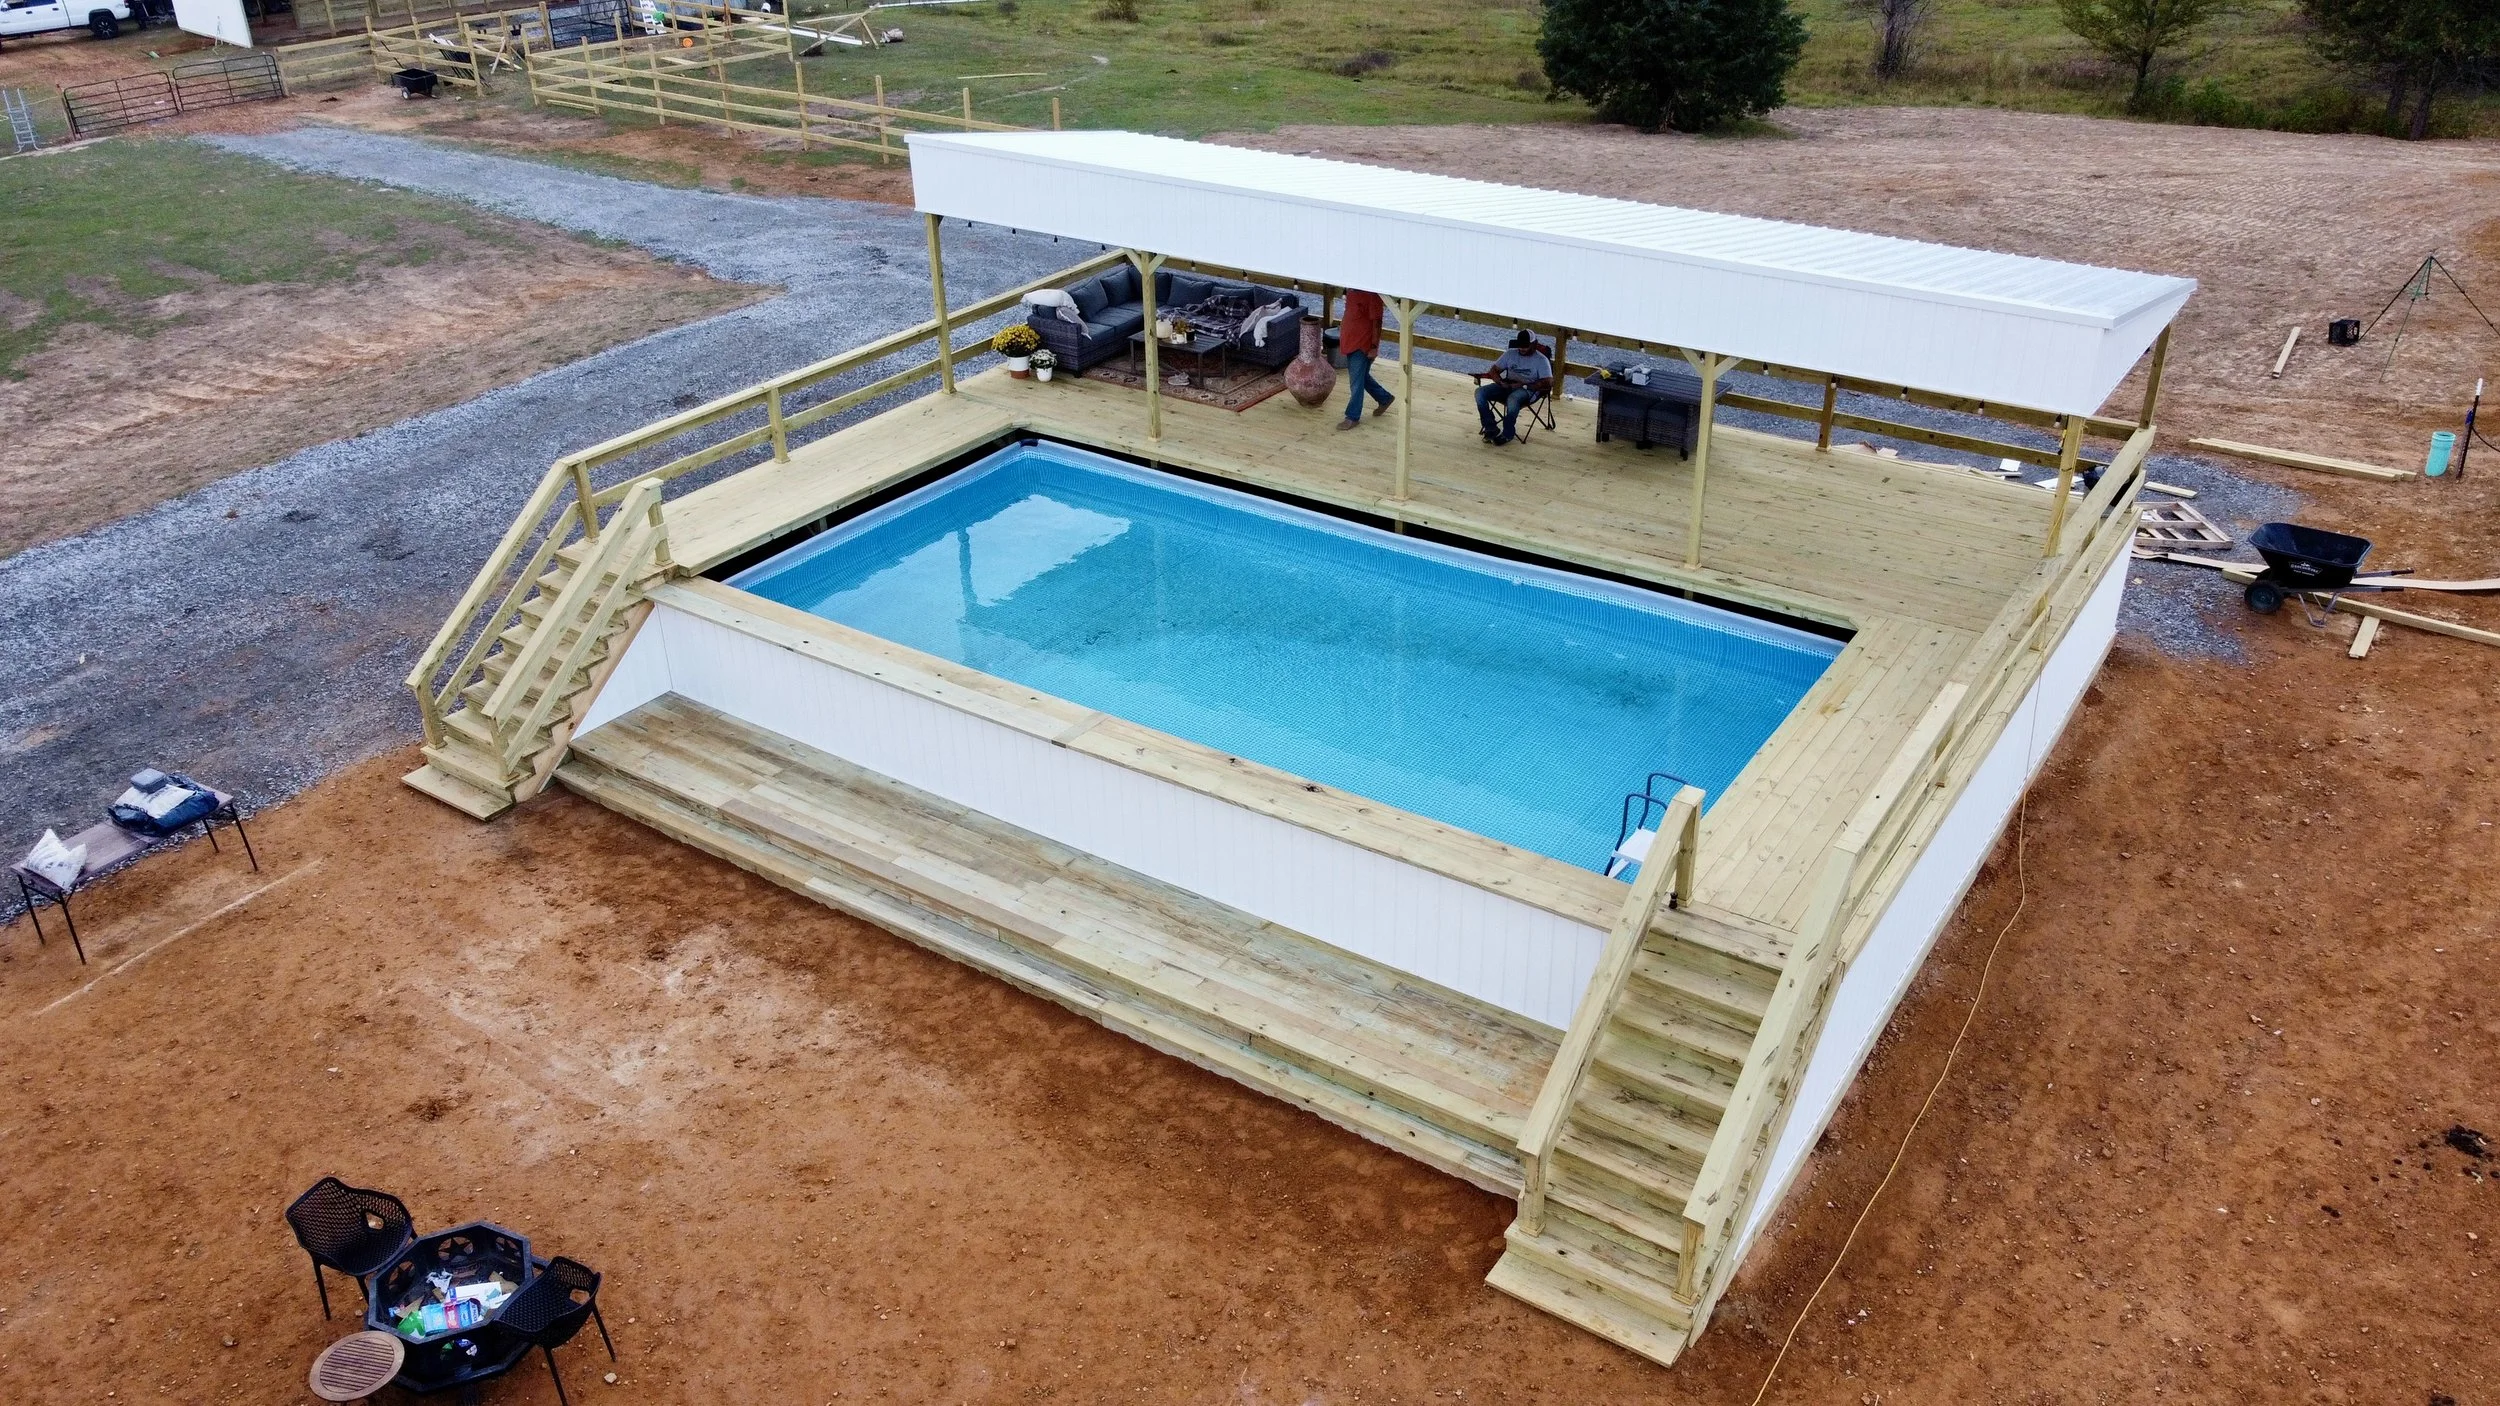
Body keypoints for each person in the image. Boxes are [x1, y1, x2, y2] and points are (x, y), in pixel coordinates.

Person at [1475, 330, 1551, 445]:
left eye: (1525, 346)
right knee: (1480, 392)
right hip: (1507, 385)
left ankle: (1507, 433)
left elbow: (1548, 382)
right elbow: (1494, 370)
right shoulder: (1510, 353)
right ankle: (1490, 428)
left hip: (1527, 389)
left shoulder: (1541, 360)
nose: (1522, 349)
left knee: (1513, 398)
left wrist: (1524, 385)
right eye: (1520, 345)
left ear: (1534, 344)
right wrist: (1500, 381)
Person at [1334, 289, 1395, 431]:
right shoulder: (1351, 291)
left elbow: (1377, 322)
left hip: (1362, 345)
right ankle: (1384, 398)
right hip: (1350, 342)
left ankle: (1352, 416)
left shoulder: (1372, 294)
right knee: (1361, 377)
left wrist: (1374, 347)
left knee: (1356, 382)